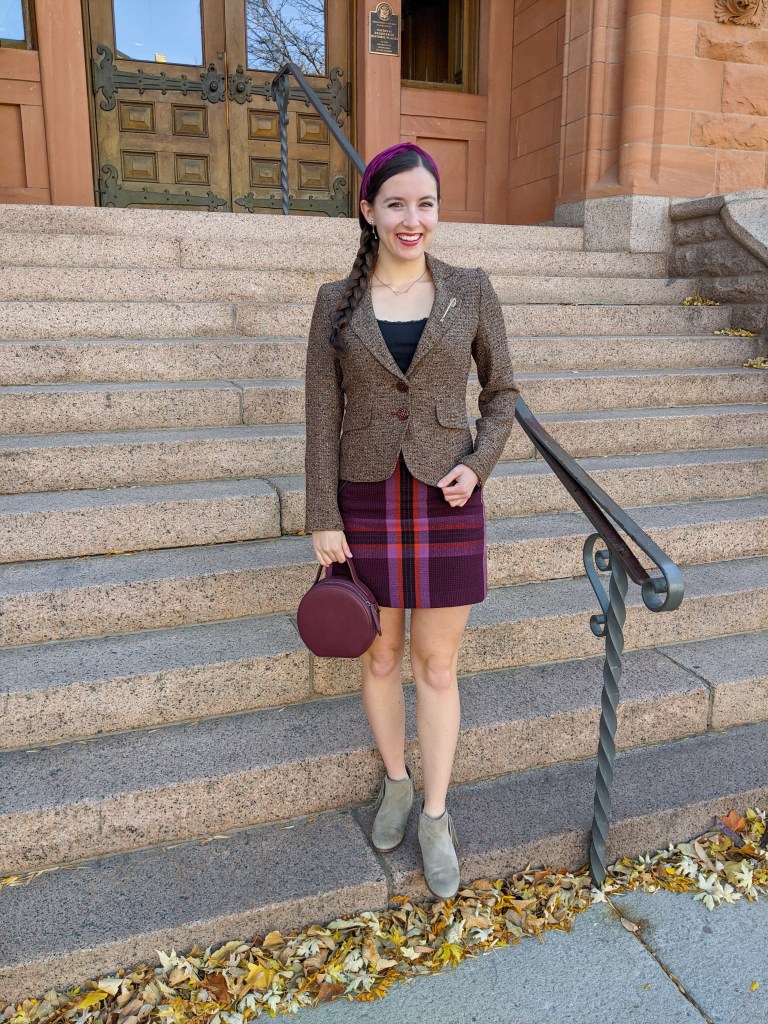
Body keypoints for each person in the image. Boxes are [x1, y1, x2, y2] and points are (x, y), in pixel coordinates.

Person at [304, 142, 519, 899]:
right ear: (367, 210)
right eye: (396, 203)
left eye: (425, 203)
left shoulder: (470, 289)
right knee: (381, 657)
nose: (412, 218)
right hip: (363, 498)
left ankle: (434, 813)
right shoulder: (335, 301)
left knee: (436, 663)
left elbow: (503, 394)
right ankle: (395, 782)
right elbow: (319, 417)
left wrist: (480, 462)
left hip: (445, 498)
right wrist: (322, 515)